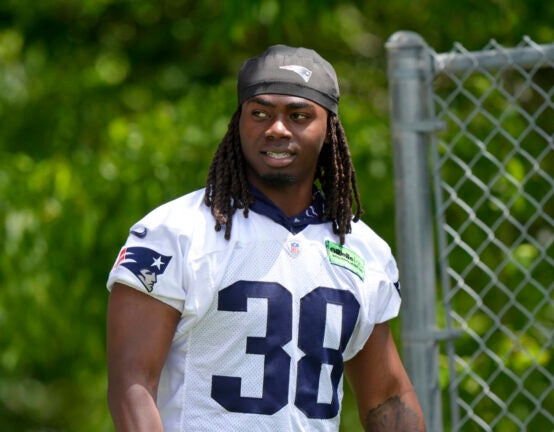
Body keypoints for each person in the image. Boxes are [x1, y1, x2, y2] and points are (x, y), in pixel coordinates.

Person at [106, 44, 426, 432]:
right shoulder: (174, 231)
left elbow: (387, 399)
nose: (276, 128)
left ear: (329, 128)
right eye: (260, 113)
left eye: (299, 115)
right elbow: (132, 382)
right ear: (239, 122)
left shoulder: (363, 250)